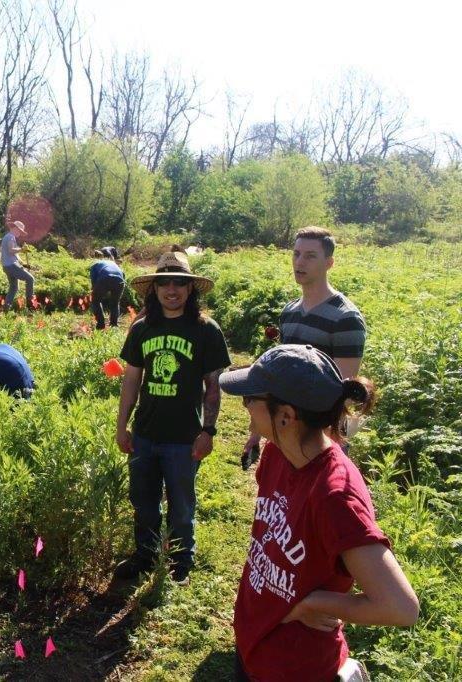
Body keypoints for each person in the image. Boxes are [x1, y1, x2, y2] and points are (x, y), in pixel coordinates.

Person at [219, 345, 418, 681]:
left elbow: (400, 607)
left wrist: (314, 604)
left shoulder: (335, 496)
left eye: (250, 398)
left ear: (285, 415)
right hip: (257, 637)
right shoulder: (278, 454)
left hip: (296, 666)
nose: (245, 407)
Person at [114, 247, 231, 584]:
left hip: (184, 436)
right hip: (146, 433)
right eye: (164, 282)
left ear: (190, 288)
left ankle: (181, 559)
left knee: (182, 505)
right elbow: (132, 379)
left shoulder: (206, 330)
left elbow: (213, 386)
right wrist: (123, 427)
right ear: (154, 288)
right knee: (144, 501)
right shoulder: (142, 328)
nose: (172, 289)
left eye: (179, 282)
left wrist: (208, 430)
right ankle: (145, 554)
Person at [243, 227, 367, 463]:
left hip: (320, 441)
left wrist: (315, 446)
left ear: (329, 263)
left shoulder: (346, 318)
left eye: (310, 256)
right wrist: (258, 432)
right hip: (283, 432)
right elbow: (278, 376)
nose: (300, 262)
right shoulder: (290, 312)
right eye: (296, 254)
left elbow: (341, 394)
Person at [89, 247, 126, 329]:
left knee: (95, 301)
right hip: (120, 280)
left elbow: (94, 283)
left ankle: (101, 325)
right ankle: (114, 325)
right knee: (115, 303)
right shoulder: (113, 263)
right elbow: (123, 274)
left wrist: (95, 291)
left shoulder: (94, 265)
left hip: (105, 278)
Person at [1, 220, 34, 309]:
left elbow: (14, 254)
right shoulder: (11, 237)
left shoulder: (8, 237)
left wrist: (23, 264)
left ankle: (6, 307)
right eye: (19, 230)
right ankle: (30, 304)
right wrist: (22, 249)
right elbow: (11, 250)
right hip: (11, 266)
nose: (20, 233)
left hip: (7, 266)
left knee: (14, 287)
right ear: (15, 228)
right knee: (30, 279)